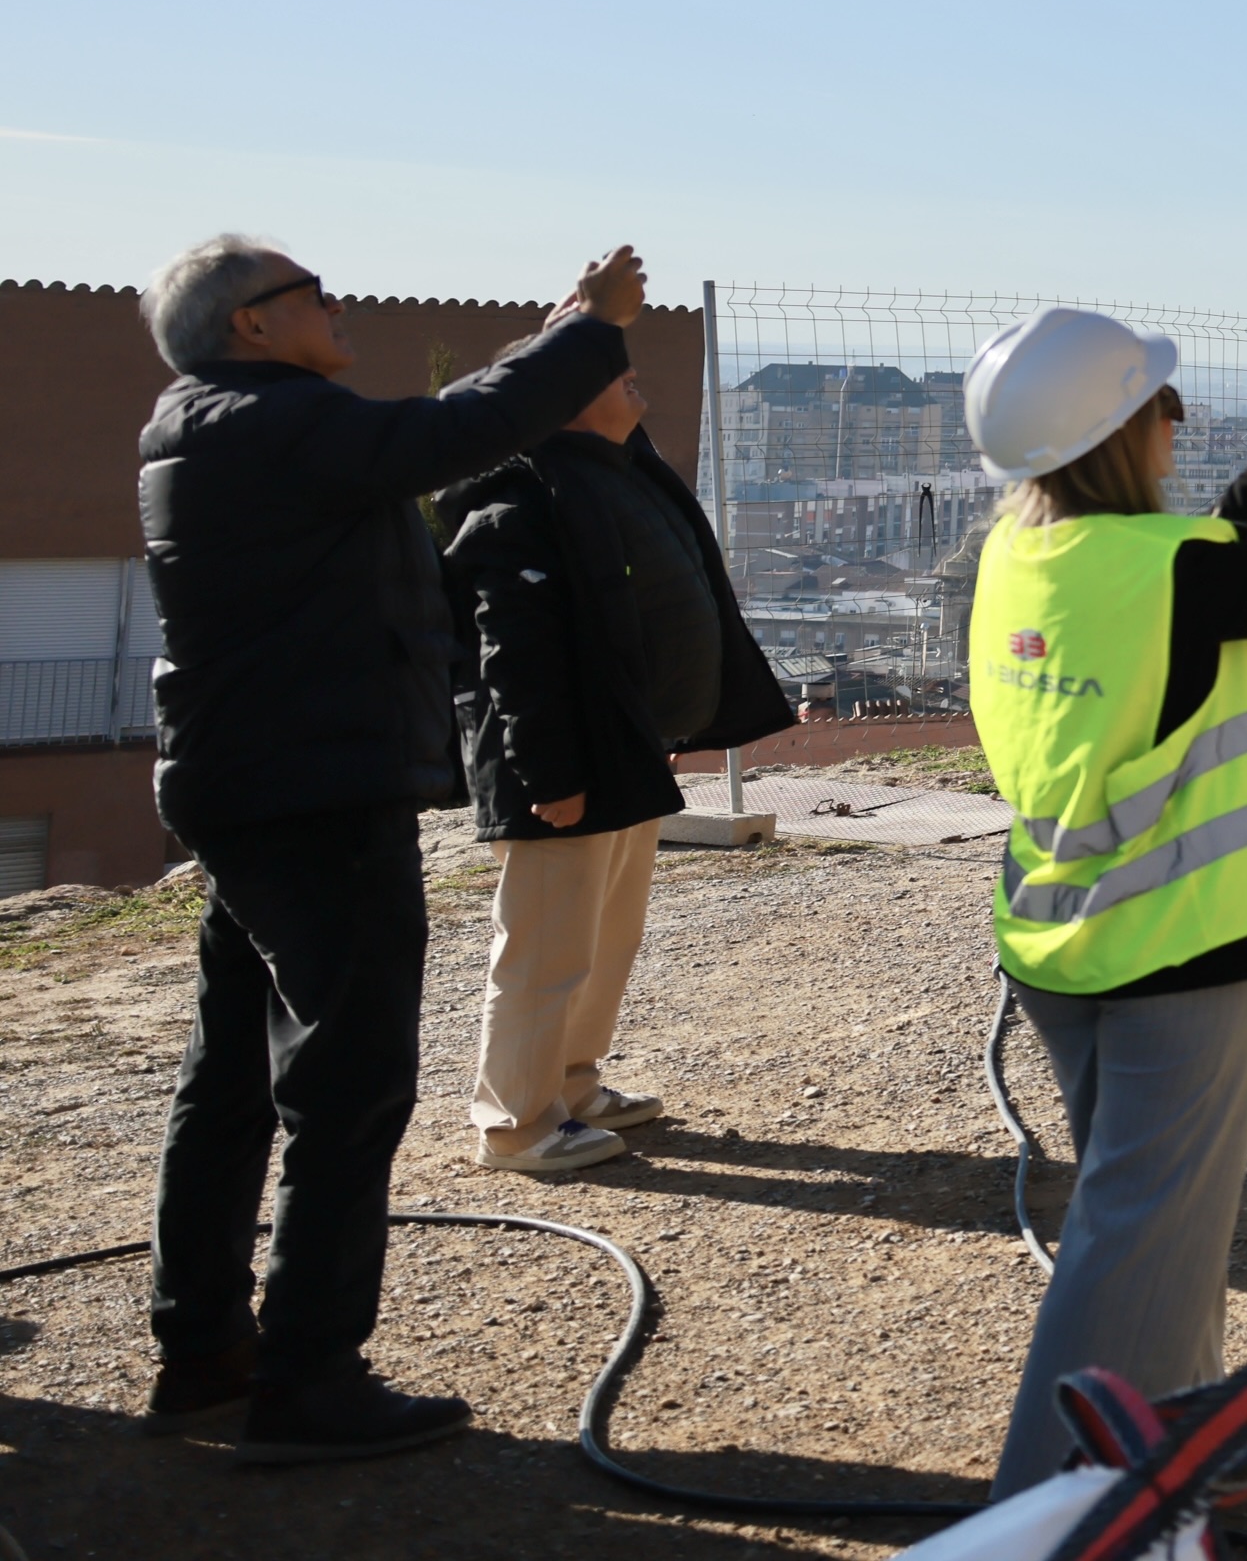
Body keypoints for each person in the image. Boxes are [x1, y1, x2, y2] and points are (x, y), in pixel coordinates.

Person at [135, 235, 647, 1464]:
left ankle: (204, 1348)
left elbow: (432, 430)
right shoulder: (265, 425)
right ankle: (308, 1380)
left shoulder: (220, 425)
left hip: (255, 784)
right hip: (314, 792)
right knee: (347, 1085)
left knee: (234, 1077)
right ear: (251, 326)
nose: (334, 305)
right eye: (308, 292)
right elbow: (443, 438)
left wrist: (549, 341)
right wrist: (588, 330)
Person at [962, 306, 1247, 1495]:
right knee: (1134, 1235)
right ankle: (1053, 1503)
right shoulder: (1164, 572)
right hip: (1181, 942)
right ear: (1123, 429)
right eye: (1162, 404)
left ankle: (1180, 1440)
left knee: (1157, 1230)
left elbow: (1200, 571)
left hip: (1065, 937)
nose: (1177, 420)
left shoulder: (1026, 552)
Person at [438, 351, 795, 1176]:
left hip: (628, 748)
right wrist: (550, 776)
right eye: (608, 371)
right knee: (543, 947)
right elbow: (512, 652)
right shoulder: (521, 491)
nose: (636, 380)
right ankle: (517, 1123)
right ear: (560, 399)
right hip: (565, 762)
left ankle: (571, 1084)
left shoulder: (621, 468)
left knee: (606, 937)